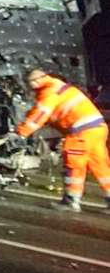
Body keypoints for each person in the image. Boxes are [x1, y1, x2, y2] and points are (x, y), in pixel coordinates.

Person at [13, 68, 110, 213]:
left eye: (30, 83)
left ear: (37, 80)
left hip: (81, 132)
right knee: (101, 167)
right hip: (97, 129)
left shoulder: (49, 92)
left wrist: (21, 132)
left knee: (73, 166)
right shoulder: (58, 87)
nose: (29, 87)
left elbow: (39, 115)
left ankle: (71, 201)